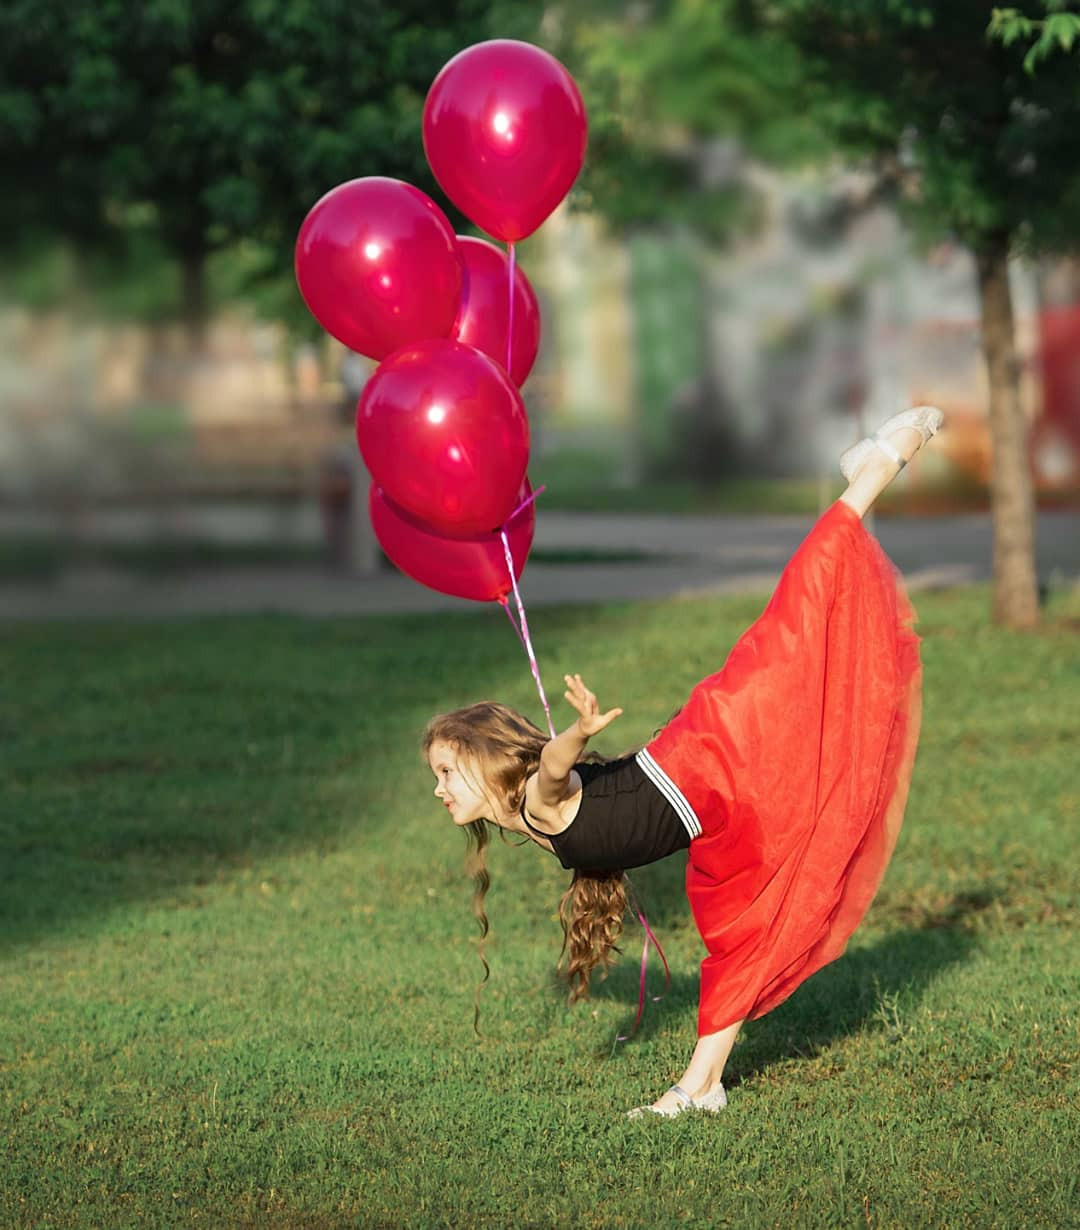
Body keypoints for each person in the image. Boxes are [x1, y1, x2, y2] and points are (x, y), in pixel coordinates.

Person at [423, 406, 943, 1118]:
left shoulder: (535, 802)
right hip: (713, 818)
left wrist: (574, 733)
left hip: (712, 750)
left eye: (448, 771)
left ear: (486, 763)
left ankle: (877, 467)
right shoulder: (527, 819)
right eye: (437, 776)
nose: (438, 788)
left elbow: (551, 769)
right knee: (740, 931)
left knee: (791, 633)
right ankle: (701, 1087)